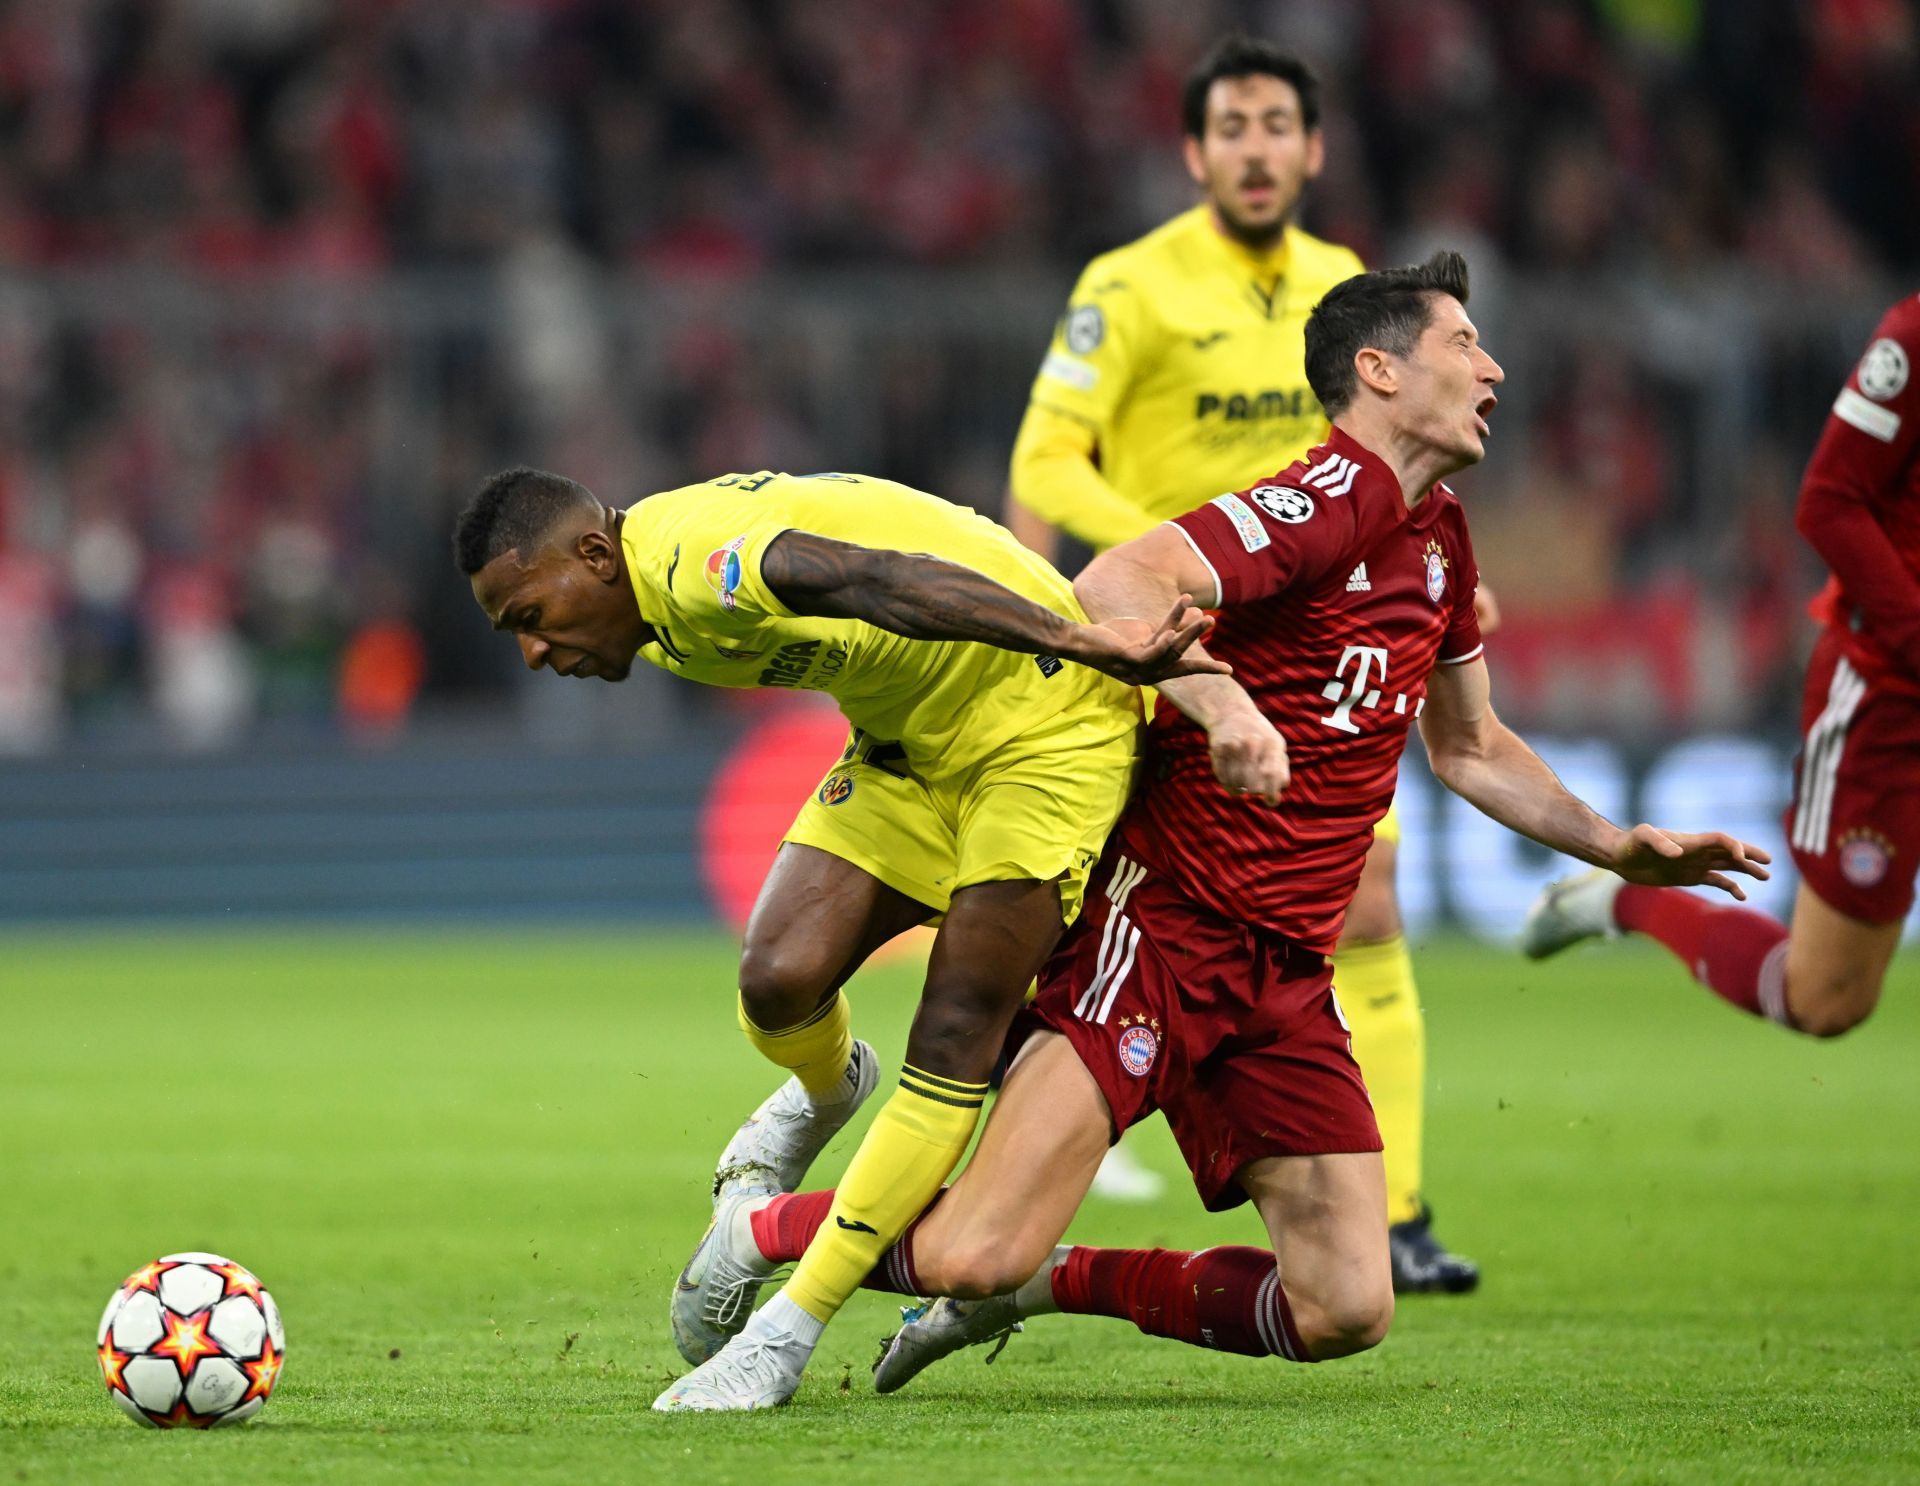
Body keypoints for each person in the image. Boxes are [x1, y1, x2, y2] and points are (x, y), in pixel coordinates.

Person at [664, 252, 1769, 1410]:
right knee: (965, 1245)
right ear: (1379, 371)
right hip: (1163, 927)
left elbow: (1473, 749)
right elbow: (1116, 581)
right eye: (1463, 345)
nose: (1493, 368)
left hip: (1284, 967)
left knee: (1346, 1305)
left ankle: (1043, 1287)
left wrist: (1618, 846)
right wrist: (1223, 702)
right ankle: (765, 1225)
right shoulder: (1317, 501)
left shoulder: (1439, 537)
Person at [449, 466, 1217, 1413]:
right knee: (777, 978)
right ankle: (826, 1089)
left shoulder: (694, 568)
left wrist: (1074, 636)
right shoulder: (652, 617)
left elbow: (873, 578)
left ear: (597, 555)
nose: (531, 649)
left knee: (954, 1029)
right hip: (908, 751)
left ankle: (786, 1332)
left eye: (530, 611)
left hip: (1044, 722)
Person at [1007, 31, 1478, 1287]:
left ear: (1315, 150)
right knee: (1064, 905)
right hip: (1170, 639)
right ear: (1194, 152)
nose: (1257, 149)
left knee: (1362, 910)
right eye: (1232, 129)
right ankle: (1008, 1150)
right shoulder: (1130, 283)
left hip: (1315, 662)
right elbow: (1044, 466)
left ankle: (1404, 1213)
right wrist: (1169, 559)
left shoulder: (1354, 301)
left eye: (1279, 126)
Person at [1523, 292, 1920, 1037]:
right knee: (1825, 998)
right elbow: (1829, 503)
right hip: (1890, 697)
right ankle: (1623, 902)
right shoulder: (1914, 337)